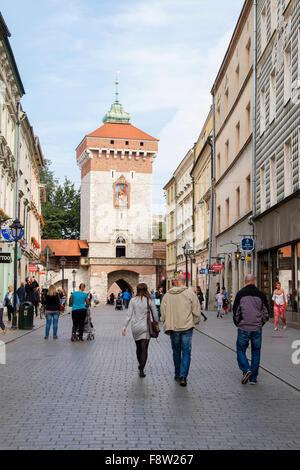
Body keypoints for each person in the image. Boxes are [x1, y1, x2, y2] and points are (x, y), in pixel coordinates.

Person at [161, 274, 200, 387]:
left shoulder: (168, 294)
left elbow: (163, 310)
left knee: (176, 351)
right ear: (184, 282)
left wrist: (165, 321)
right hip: (187, 326)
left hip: (173, 327)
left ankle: (177, 374)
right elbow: (196, 309)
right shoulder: (190, 293)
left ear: (176, 282)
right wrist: (195, 321)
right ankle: (183, 376)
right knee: (186, 351)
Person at [233, 274, 270, 385]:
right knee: (256, 352)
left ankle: (246, 369)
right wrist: (260, 323)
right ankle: (253, 378)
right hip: (257, 328)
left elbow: (236, 312)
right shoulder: (261, 294)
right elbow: (266, 313)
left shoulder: (240, 294)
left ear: (245, 282)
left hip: (244, 327)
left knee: (240, 350)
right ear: (254, 281)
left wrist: (238, 323)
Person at [122, 283, 158, 378]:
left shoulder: (133, 300)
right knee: (144, 349)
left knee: (138, 347)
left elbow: (128, 315)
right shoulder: (149, 300)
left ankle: (140, 364)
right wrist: (156, 322)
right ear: (146, 290)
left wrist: (124, 327)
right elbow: (155, 314)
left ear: (137, 290)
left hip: (135, 326)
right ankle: (141, 369)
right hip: (145, 327)